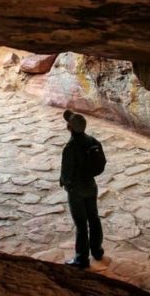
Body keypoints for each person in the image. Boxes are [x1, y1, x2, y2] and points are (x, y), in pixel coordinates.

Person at [60, 109, 104, 268]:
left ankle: (81, 258)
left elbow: (66, 173)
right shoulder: (93, 141)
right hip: (91, 186)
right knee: (94, 218)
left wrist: (67, 185)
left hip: (76, 190)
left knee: (80, 224)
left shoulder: (70, 148)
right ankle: (97, 250)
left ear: (69, 128)